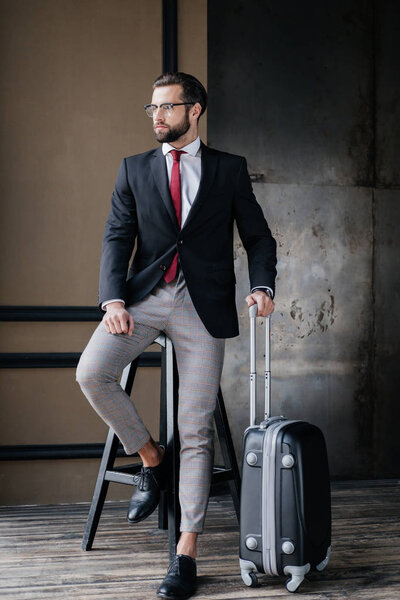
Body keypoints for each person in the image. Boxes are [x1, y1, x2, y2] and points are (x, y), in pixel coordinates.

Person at [76, 71, 276, 600]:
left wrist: (261, 286)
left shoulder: (229, 170)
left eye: (167, 107)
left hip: (201, 306)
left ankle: (185, 553)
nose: (157, 116)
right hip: (143, 299)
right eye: (152, 108)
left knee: (196, 430)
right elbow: (117, 236)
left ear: (195, 110)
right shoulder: (133, 169)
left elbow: (257, 235)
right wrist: (113, 299)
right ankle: (151, 460)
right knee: (92, 373)